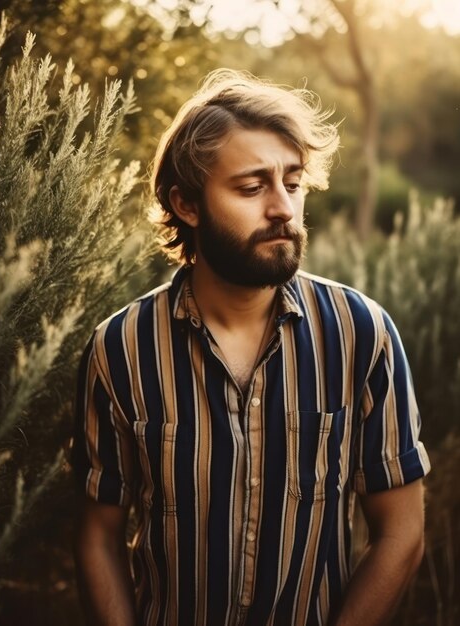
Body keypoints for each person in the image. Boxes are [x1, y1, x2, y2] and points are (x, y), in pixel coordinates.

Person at [72, 69, 430, 626]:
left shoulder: (363, 333)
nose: (283, 208)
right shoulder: (120, 348)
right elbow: (98, 536)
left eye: (293, 182)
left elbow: (402, 533)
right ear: (187, 204)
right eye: (251, 187)